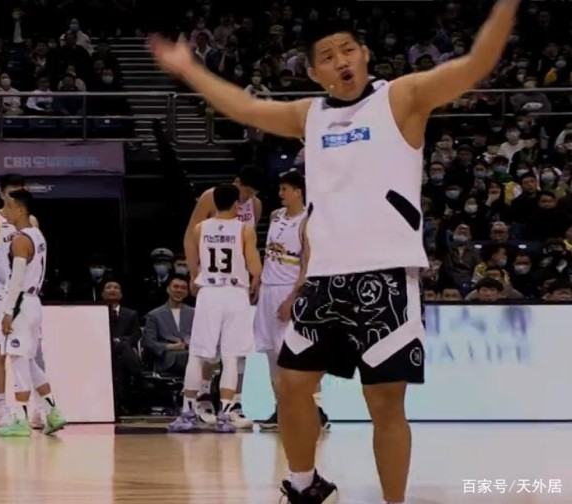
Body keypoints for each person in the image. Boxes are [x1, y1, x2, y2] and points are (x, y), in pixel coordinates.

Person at [151, 1, 520, 501]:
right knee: (292, 385)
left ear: (365, 54)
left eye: (348, 50)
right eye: (327, 56)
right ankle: (305, 485)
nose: (341, 60)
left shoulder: (401, 97)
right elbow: (245, 108)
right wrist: (189, 69)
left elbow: (476, 63)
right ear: (312, 71)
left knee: (384, 402)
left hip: (387, 275)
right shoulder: (310, 114)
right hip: (324, 278)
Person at [169, 184, 262, 433]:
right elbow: (254, 266)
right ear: (237, 204)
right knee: (231, 356)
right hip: (235, 293)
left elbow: (192, 254)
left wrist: (194, 275)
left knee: (198, 354)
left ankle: (188, 411)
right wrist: (256, 279)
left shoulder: (200, 228)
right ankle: (226, 413)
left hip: (209, 292)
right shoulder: (244, 229)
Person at [255, 170, 329, 432]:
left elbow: (306, 266)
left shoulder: (307, 222)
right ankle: (281, 410)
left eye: (284, 189)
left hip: (289, 290)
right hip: (267, 290)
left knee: (299, 355)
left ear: (298, 192)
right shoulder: (276, 216)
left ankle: (317, 411)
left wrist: (292, 298)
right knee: (272, 356)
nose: (280, 193)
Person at [0, 189, 66, 437]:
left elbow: (16, 280)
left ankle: (20, 419)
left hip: (21, 303)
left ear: (20, 209)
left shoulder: (20, 240)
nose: (5, 211)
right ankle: (53, 411)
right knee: (30, 360)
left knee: (17, 360)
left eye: (9, 206)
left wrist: (7, 311)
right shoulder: (38, 235)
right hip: (34, 302)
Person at [0, 174, 43, 427]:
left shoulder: (31, 221)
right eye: (11, 193)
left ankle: (38, 409)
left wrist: (23, 285)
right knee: (1, 351)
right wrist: (12, 285)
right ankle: (2, 409)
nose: (16, 197)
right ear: (1, 194)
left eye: (20, 192)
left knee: (33, 349)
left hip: (23, 294)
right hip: (0, 292)